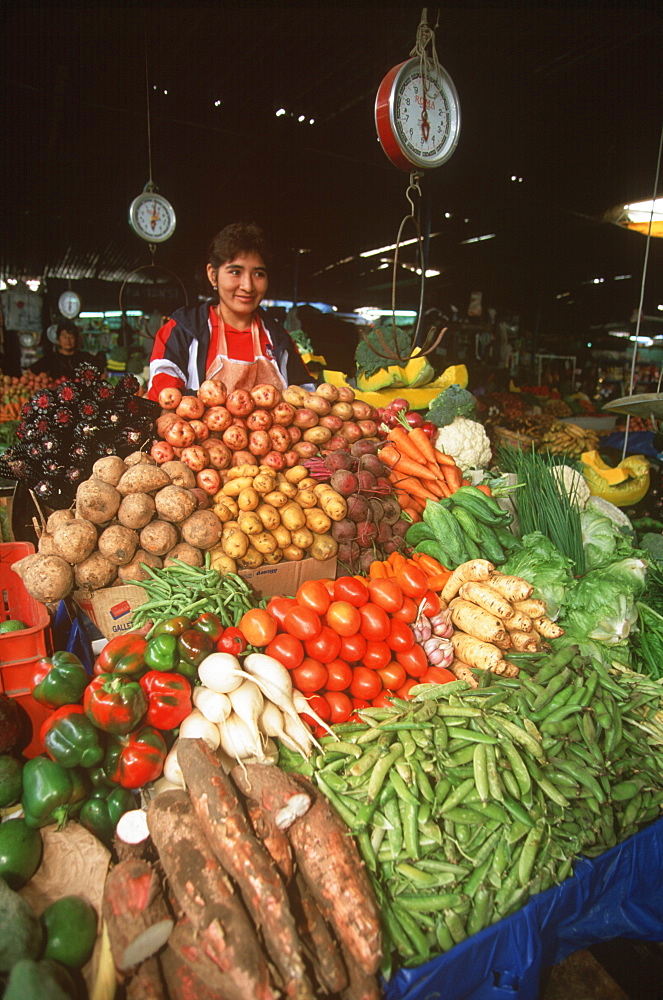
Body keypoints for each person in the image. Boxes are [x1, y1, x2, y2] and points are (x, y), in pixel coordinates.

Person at [147, 223, 313, 400]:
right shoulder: (182, 331)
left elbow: (306, 396)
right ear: (213, 275)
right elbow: (163, 399)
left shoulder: (279, 338)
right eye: (235, 272)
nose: (248, 286)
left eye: (258, 274)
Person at [29, 321, 105, 380]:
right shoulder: (50, 359)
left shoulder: (85, 357)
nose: (68, 340)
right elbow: (30, 372)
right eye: (64, 337)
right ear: (58, 340)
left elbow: (103, 371)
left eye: (71, 337)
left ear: (76, 339)